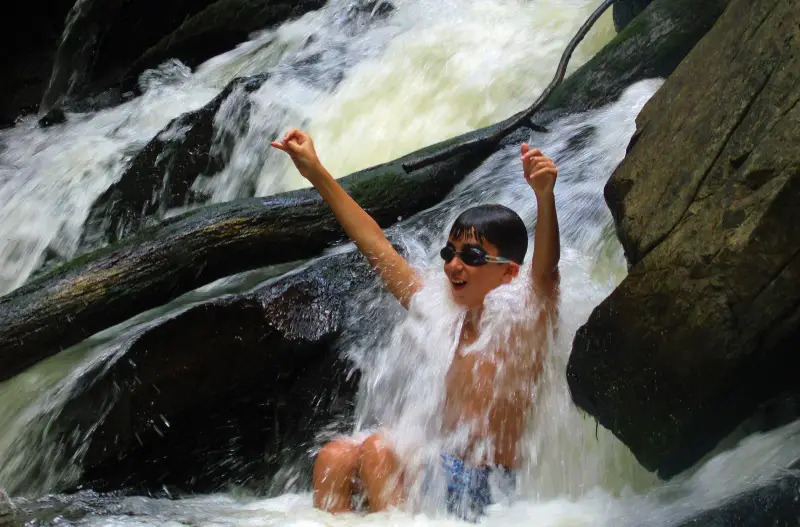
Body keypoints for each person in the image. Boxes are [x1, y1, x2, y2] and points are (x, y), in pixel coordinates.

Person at [270, 129, 560, 519]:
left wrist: (544, 196)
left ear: (508, 273)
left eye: (472, 256)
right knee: (334, 457)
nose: (454, 265)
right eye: (450, 253)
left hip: (492, 490)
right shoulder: (444, 312)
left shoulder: (523, 321)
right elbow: (376, 245)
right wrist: (317, 173)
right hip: (442, 474)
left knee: (379, 451)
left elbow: (545, 273)